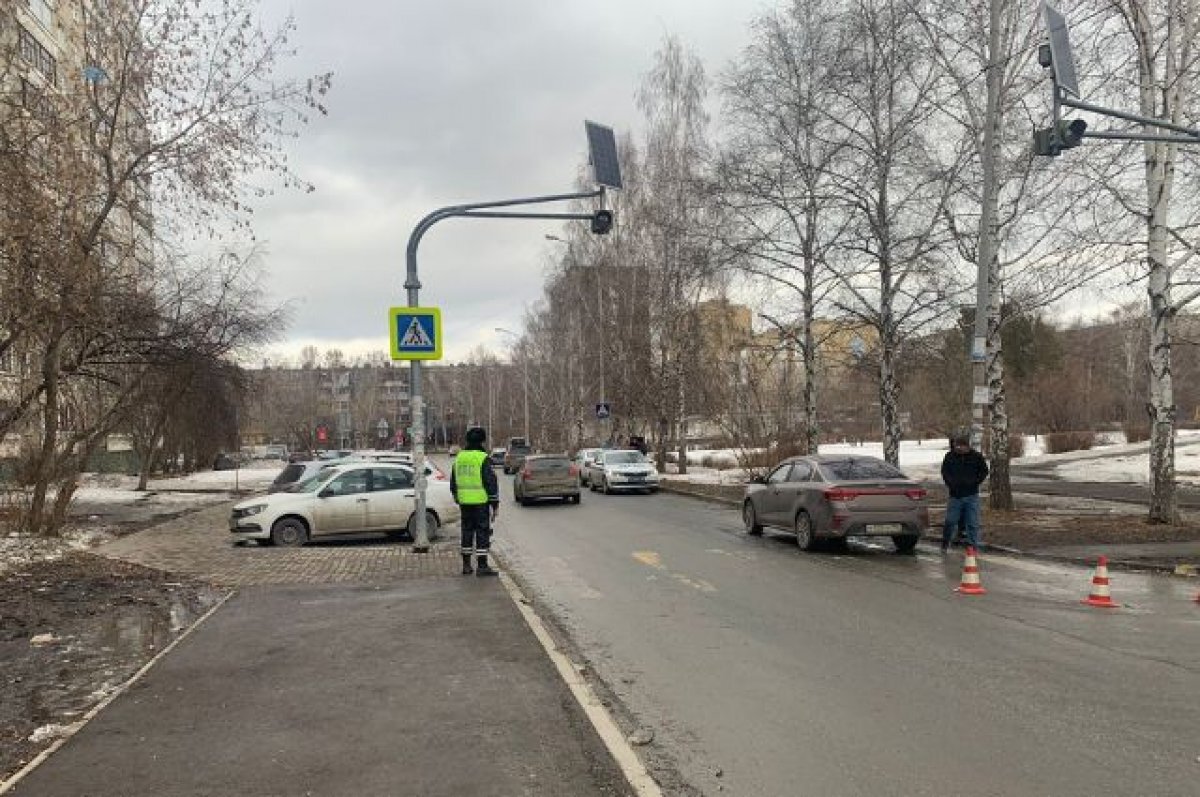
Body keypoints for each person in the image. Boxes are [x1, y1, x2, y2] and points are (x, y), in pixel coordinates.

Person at [451, 426, 500, 576]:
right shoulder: (482, 458)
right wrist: (495, 503)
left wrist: (458, 498)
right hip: (480, 502)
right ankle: (482, 565)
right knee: (482, 532)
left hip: (464, 502)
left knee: (466, 531)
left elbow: (453, 482)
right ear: (482, 441)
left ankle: (466, 565)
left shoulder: (459, 457)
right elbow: (490, 482)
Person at [940, 432, 989, 552]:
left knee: (972, 522)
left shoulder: (976, 457)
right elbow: (945, 472)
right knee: (950, 521)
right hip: (955, 496)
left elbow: (984, 471)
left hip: (971, 494)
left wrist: (975, 482)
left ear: (968, 446)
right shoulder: (949, 456)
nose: (960, 448)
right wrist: (951, 483)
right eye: (957, 445)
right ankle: (945, 542)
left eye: (962, 446)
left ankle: (972, 546)